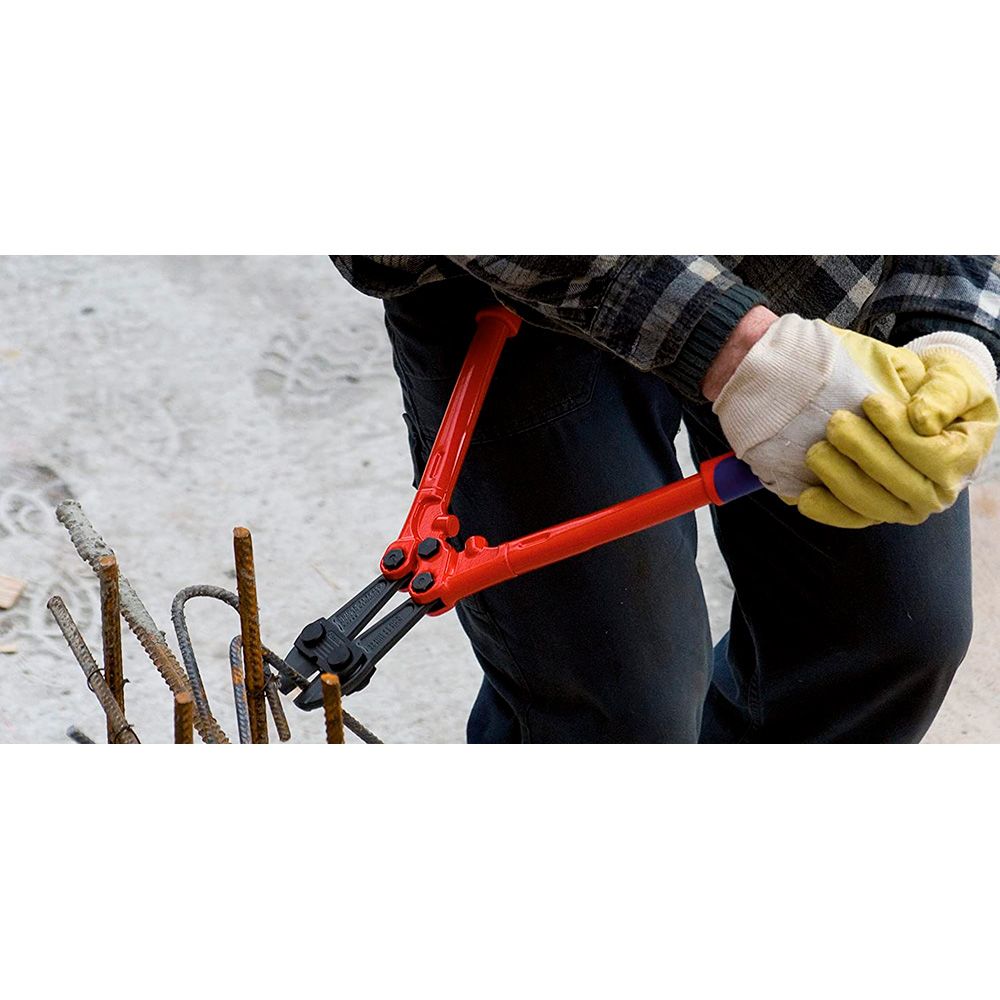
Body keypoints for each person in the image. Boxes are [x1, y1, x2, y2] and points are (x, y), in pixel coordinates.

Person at [330, 256, 1000, 743]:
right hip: (512, 279)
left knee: (894, 634)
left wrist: (954, 329)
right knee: (620, 713)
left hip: (814, 270)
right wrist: (731, 345)